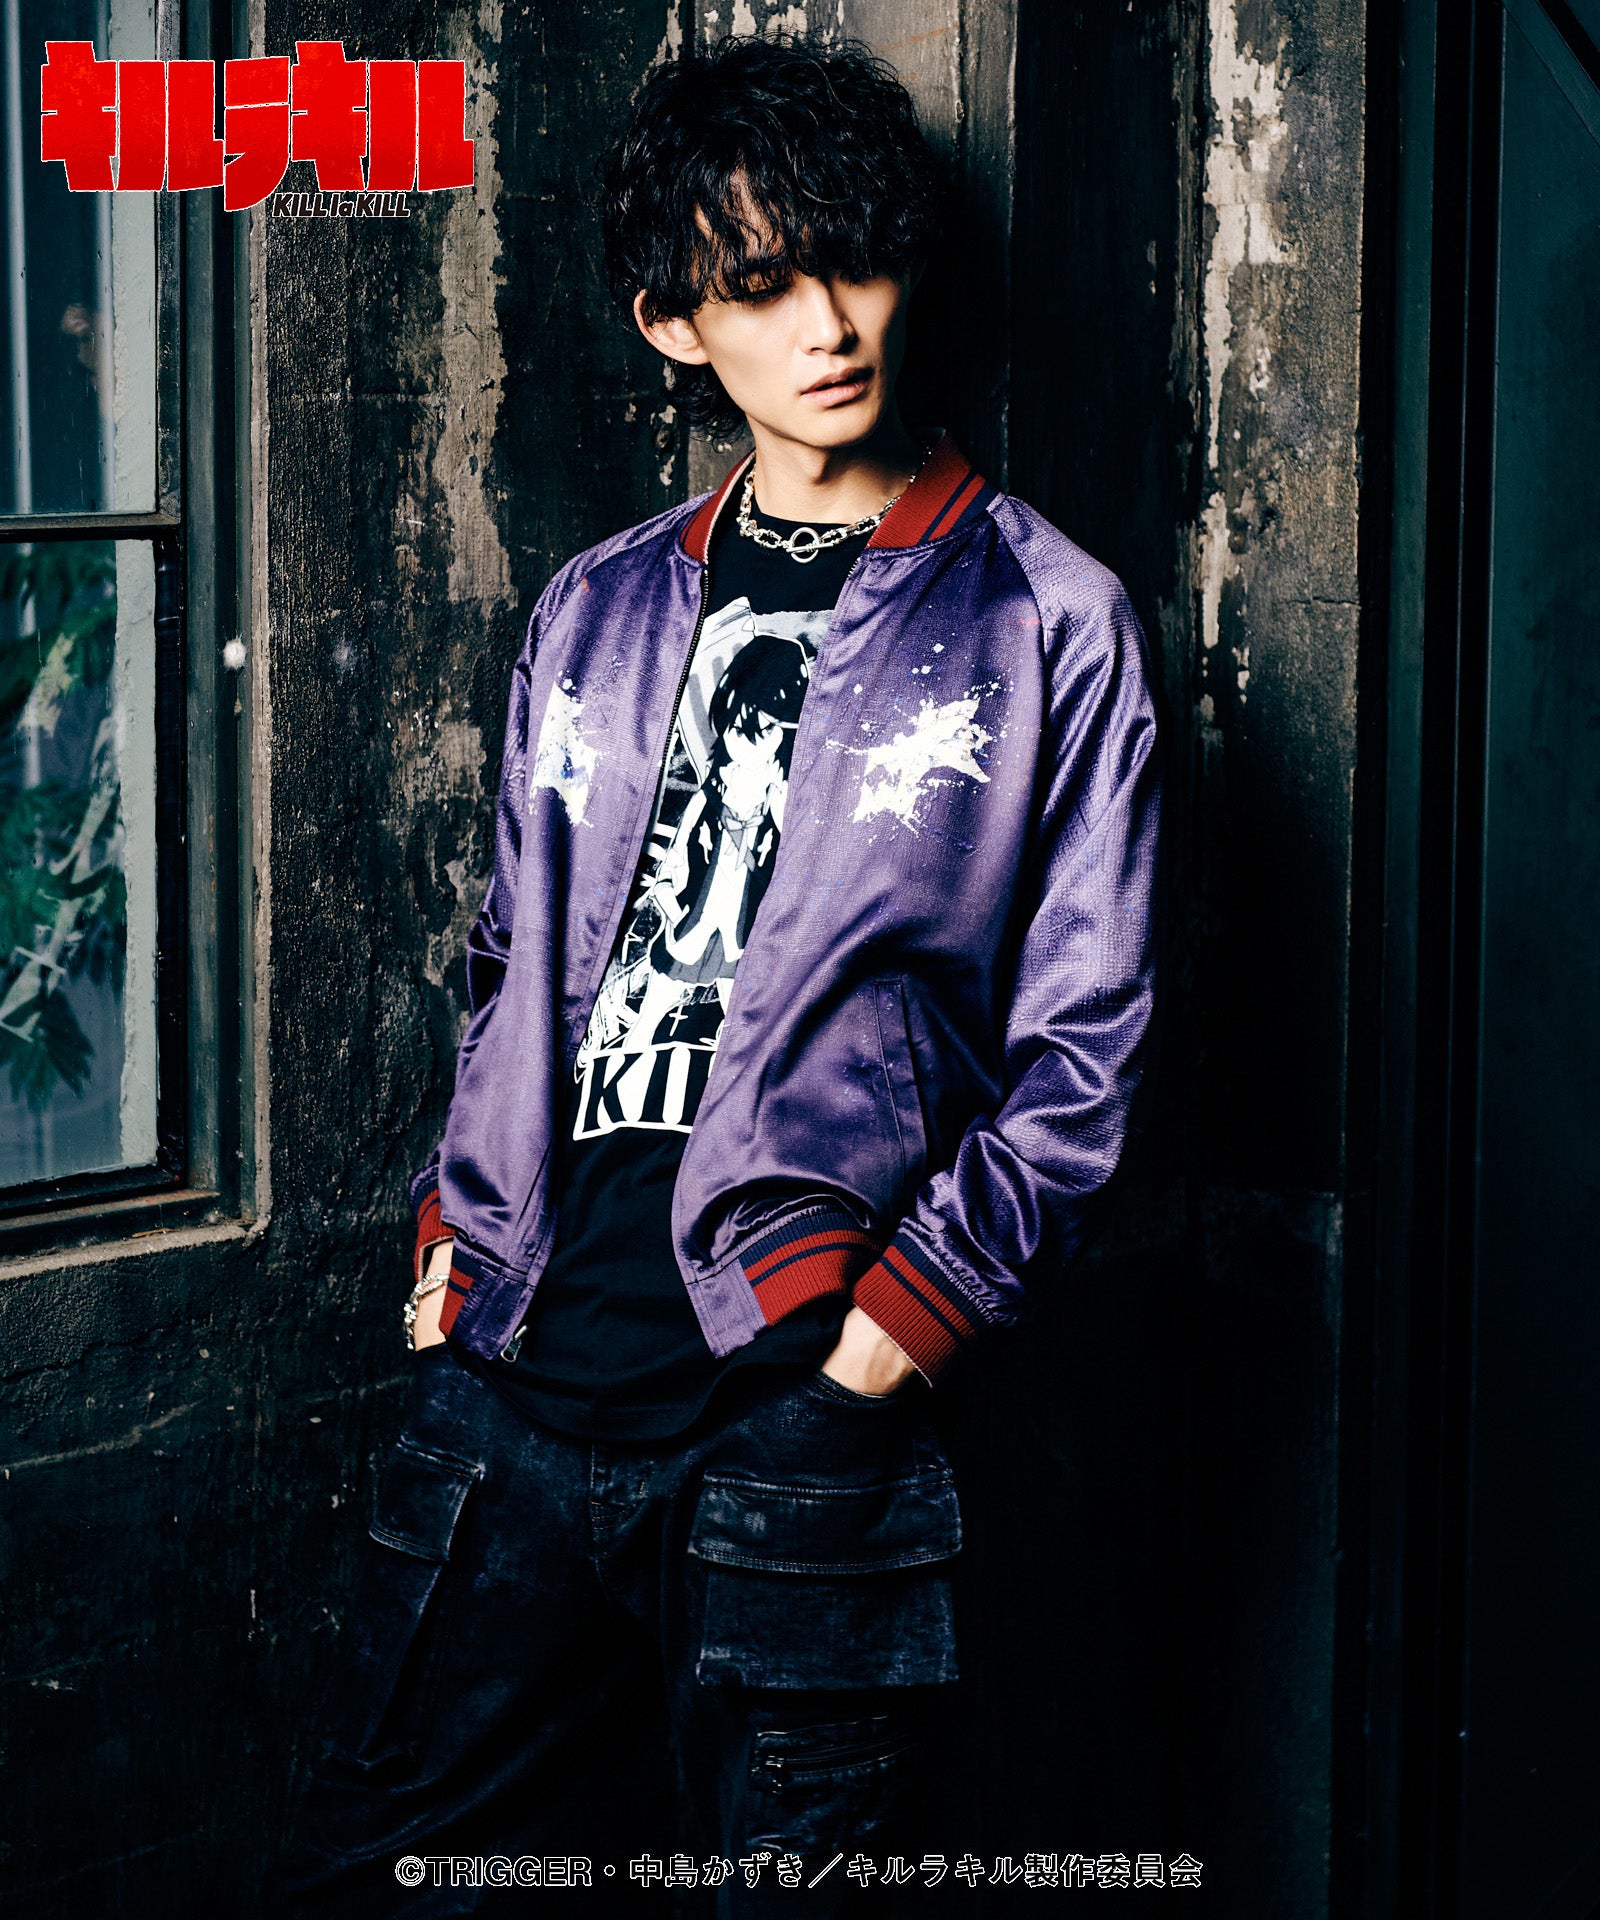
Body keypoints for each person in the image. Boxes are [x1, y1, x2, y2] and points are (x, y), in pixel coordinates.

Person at [273, 30, 1160, 1916]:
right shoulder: (598, 602)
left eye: (858, 264)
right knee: (388, 1874)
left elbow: (1085, 1053)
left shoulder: (1045, 616)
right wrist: (456, 1234)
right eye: (761, 284)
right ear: (675, 323)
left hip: (796, 1390)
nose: (829, 326)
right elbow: (510, 944)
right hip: (515, 1370)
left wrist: (894, 1332)